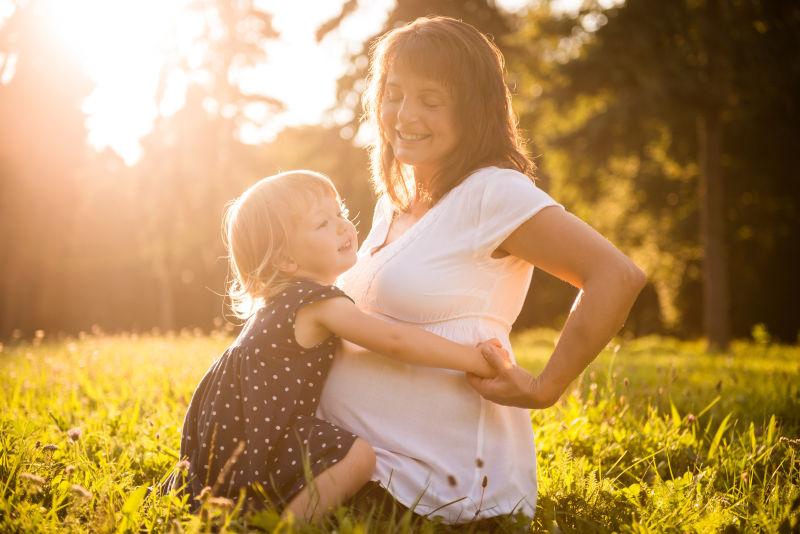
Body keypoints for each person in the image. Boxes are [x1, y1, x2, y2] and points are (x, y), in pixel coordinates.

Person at [316, 16, 647, 524]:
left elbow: (616, 275)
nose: (405, 114)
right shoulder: (395, 201)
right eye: (395, 93)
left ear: (474, 110)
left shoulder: (492, 192)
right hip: (354, 460)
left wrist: (544, 387)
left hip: (434, 482)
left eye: (431, 99)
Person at [174, 170, 500, 522]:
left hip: (236, 423)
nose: (344, 226)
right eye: (322, 224)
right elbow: (394, 341)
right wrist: (474, 359)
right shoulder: (316, 301)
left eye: (340, 213)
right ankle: (288, 527)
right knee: (359, 457)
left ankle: (259, 515)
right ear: (287, 261)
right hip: (260, 427)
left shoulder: (284, 299)